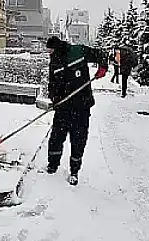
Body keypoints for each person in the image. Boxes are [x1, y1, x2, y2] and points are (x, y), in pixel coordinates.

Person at [45, 35, 108, 186]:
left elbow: (101, 54)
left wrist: (103, 67)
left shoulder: (78, 51)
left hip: (82, 107)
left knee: (78, 141)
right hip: (63, 108)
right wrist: (54, 99)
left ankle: (74, 171)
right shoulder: (54, 62)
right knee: (56, 138)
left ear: (57, 48)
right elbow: (52, 84)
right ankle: (52, 166)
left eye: (50, 50)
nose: (49, 53)